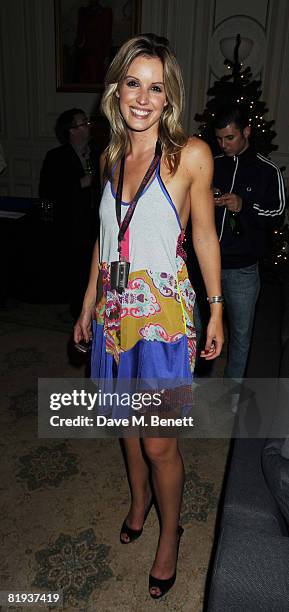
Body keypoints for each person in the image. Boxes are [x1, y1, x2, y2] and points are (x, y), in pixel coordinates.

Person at [74, 34, 223, 599]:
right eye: (133, 83)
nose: (143, 97)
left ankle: (169, 536)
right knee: (126, 425)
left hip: (163, 319)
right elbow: (105, 236)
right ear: (117, 88)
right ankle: (138, 502)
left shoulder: (191, 155)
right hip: (115, 312)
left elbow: (205, 233)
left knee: (160, 442)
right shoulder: (111, 153)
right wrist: (89, 302)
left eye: (155, 86)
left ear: (170, 96)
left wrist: (216, 308)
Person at [213, 104, 285, 382]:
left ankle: (232, 392)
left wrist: (245, 206)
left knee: (241, 335)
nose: (223, 144)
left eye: (229, 138)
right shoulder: (213, 162)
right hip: (204, 265)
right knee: (194, 327)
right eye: (219, 138)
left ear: (246, 132)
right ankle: (191, 386)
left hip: (242, 269)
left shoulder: (267, 171)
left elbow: (277, 215)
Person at [39, 108, 100, 317]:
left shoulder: (96, 152)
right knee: (76, 270)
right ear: (72, 131)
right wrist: (81, 183)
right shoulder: (56, 157)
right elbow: (49, 191)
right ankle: (77, 310)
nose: (88, 126)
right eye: (83, 123)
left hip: (94, 221)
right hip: (70, 224)